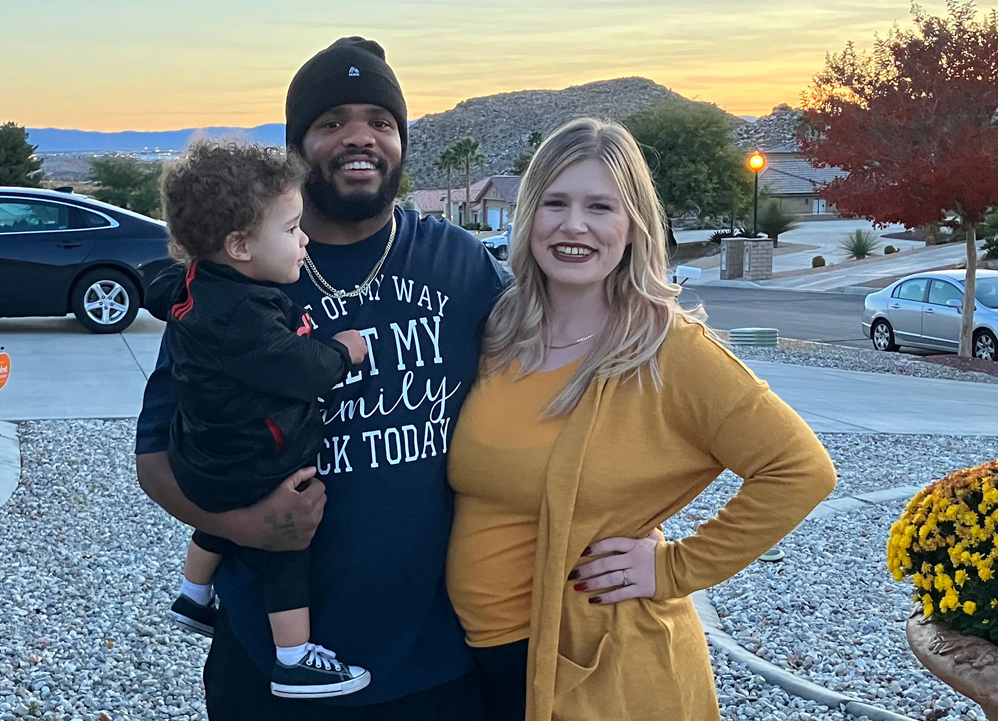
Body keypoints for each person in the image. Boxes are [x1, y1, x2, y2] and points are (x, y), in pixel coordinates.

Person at [134, 36, 508, 720]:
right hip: (268, 664)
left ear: (401, 142)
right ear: (297, 145)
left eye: (381, 121)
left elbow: (565, 366)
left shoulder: (460, 265)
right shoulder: (227, 286)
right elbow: (155, 455)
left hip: (430, 659)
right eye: (332, 122)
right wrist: (241, 522)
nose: (359, 137)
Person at [445, 117, 838, 721]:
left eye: (600, 206)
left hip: (588, 660)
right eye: (556, 202)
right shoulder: (499, 331)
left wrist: (675, 567)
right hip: (476, 654)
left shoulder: (669, 349)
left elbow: (800, 469)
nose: (574, 225)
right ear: (529, 217)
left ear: (632, 227)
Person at [146, 139, 372, 699]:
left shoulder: (200, 282)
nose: (305, 239)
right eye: (293, 228)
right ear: (240, 245)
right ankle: (293, 658)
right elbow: (302, 369)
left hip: (202, 455)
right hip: (250, 463)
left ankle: (194, 593)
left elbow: (158, 285)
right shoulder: (244, 318)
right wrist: (345, 351)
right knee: (290, 539)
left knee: (221, 503)